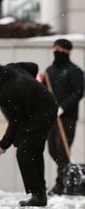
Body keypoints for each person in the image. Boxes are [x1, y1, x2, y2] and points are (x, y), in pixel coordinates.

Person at [0, 59, 57, 207]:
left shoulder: (7, 92)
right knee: (33, 150)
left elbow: (15, 123)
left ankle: (38, 195)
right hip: (45, 106)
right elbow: (34, 66)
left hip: (41, 114)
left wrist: (2, 145)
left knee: (25, 152)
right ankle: (40, 193)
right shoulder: (11, 68)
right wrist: (31, 87)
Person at [44, 39, 85, 195]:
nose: (57, 52)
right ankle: (67, 175)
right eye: (55, 49)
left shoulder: (75, 71)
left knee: (63, 151)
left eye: (60, 50)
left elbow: (79, 92)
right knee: (52, 150)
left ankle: (60, 184)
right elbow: (45, 90)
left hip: (67, 117)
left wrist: (63, 107)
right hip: (52, 117)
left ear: (67, 52)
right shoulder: (49, 71)